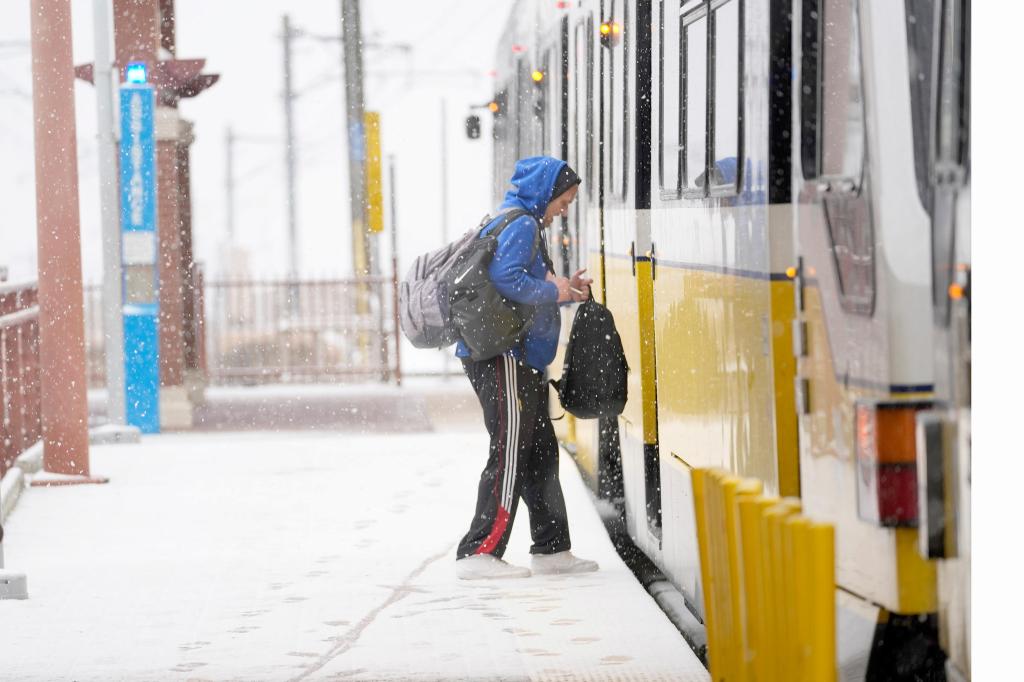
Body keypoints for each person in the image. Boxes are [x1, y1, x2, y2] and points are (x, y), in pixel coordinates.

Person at [454, 156, 598, 580]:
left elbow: (530, 285)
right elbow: (507, 279)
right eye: (564, 201)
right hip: (504, 357)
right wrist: (553, 292)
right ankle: (478, 552)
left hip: (520, 358)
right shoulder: (521, 224)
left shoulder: (522, 222)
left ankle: (552, 548)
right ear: (546, 193)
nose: (564, 210)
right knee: (511, 450)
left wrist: (565, 290)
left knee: (539, 453)